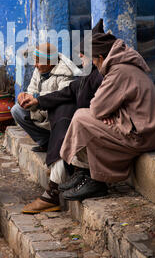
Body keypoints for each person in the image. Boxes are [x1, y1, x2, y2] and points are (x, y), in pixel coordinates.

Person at [59, 32, 155, 201]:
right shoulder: (122, 66)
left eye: (94, 60)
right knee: (84, 117)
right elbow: (104, 108)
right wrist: (109, 113)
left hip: (142, 136)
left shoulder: (119, 71)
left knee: (81, 118)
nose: (93, 64)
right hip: (143, 130)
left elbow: (96, 107)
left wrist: (106, 113)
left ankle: (96, 180)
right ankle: (85, 172)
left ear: (101, 57)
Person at [20, 20, 104, 214]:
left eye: (84, 54)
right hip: (88, 121)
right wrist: (37, 101)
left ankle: (52, 191)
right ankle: (71, 172)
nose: (79, 56)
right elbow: (69, 92)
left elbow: (104, 104)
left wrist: (40, 101)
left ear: (96, 55)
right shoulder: (90, 73)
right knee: (62, 107)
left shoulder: (102, 74)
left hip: (115, 127)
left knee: (67, 115)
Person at [11, 42, 81, 153]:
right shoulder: (38, 70)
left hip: (55, 114)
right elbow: (32, 90)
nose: (35, 65)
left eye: (38, 61)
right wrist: (24, 97)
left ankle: (59, 142)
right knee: (16, 110)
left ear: (50, 62)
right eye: (35, 61)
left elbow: (61, 96)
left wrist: (37, 98)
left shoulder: (66, 73)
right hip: (40, 110)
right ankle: (45, 141)